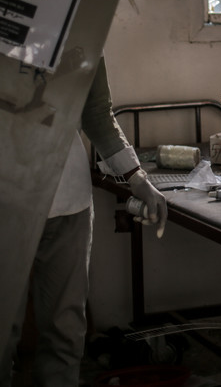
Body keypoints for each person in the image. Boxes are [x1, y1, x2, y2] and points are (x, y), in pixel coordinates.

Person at [0, 57, 168, 387]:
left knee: (65, 331)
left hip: (67, 202)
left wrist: (137, 179)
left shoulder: (86, 28)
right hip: (6, 202)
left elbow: (96, 116)